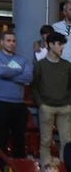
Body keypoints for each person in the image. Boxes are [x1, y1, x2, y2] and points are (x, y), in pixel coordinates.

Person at [0, 28, 33, 159]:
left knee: (19, 138)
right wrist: (18, 71)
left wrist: (8, 73)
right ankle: (0, 169)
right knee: (2, 137)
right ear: (2, 42)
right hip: (0, 102)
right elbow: (1, 72)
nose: (11, 43)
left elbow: (28, 78)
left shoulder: (22, 60)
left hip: (19, 104)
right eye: (8, 40)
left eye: (13, 41)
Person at [31, 31, 71, 162]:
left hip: (65, 107)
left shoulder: (67, 65)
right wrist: (41, 104)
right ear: (50, 44)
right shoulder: (40, 65)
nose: (62, 47)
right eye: (59, 44)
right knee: (46, 141)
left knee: (67, 142)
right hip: (46, 107)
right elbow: (34, 86)